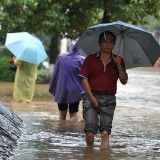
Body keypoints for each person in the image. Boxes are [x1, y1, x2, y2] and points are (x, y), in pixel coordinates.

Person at [79, 31, 128, 148]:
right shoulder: (90, 59)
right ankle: (89, 154)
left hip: (109, 98)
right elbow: (84, 80)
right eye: (105, 41)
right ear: (99, 43)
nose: (108, 44)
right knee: (90, 132)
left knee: (105, 133)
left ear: (114, 45)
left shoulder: (118, 60)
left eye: (111, 42)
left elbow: (124, 81)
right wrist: (92, 98)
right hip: (91, 96)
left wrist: (119, 67)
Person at [49, 39, 85, 121]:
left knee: (62, 113)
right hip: (75, 91)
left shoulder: (61, 57)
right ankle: (71, 132)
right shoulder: (81, 60)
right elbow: (85, 77)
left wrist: (55, 88)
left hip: (61, 90)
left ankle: (62, 131)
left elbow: (56, 74)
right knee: (73, 114)